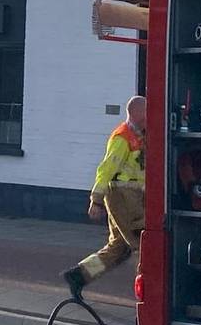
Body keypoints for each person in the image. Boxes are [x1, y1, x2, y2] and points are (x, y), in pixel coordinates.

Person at [62, 95, 147, 300]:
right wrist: (96, 200)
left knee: (119, 248)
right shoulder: (123, 138)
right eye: (147, 112)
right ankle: (149, 294)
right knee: (143, 242)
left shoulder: (140, 136)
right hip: (123, 198)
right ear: (138, 114)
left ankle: (79, 275)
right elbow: (106, 170)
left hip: (131, 197)